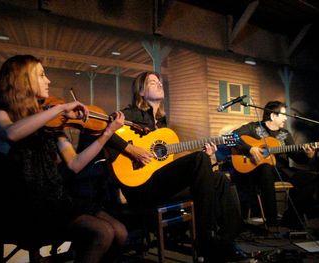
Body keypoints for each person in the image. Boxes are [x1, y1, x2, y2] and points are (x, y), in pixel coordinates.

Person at [76, 71, 244, 262]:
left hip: (159, 184)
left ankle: (225, 240)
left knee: (220, 179)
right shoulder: (130, 114)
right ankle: (205, 238)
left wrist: (207, 157)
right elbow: (101, 127)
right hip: (140, 187)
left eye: (159, 81)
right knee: (198, 160)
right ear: (141, 91)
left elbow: (166, 163)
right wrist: (130, 149)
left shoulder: (163, 124)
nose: (159, 84)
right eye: (152, 82)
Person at [0, 54, 128, 263]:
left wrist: (107, 134)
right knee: (102, 233)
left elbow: (75, 164)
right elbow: (12, 134)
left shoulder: (52, 124)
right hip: (24, 208)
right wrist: (60, 108)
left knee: (120, 232)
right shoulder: (1, 116)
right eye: (42, 75)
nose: (48, 81)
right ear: (22, 80)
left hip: (56, 201)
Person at [232, 101, 317, 228]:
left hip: (282, 172)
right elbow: (232, 137)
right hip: (258, 173)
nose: (285, 118)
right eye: (283, 114)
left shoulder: (285, 134)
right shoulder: (253, 127)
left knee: (310, 178)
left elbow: (297, 157)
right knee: (267, 168)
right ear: (272, 116)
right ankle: (272, 222)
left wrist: (308, 155)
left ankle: (290, 219)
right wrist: (249, 149)